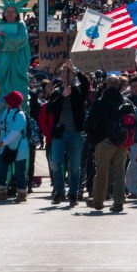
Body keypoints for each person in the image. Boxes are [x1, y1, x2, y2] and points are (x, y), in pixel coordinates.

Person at [84, 75, 132, 213]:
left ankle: (98, 202)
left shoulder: (100, 101)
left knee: (101, 172)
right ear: (118, 86)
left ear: (106, 84)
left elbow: (89, 122)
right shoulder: (124, 101)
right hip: (122, 141)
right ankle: (118, 203)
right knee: (119, 172)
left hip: (104, 141)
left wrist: (92, 138)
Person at [46, 66, 90, 207]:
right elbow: (50, 109)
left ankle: (73, 193)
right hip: (60, 134)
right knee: (56, 163)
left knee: (75, 167)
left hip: (76, 134)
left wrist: (76, 71)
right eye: (65, 73)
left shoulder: (78, 91)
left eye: (69, 73)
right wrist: (62, 96)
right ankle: (59, 192)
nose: (66, 75)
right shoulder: (57, 92)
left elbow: (86, 84)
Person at [0, 90, 29, 202]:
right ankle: (1, 191)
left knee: (20, 170)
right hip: (5, 146)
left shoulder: (20, 115)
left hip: (19, 147)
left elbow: (14, 132)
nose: (6, 102)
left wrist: (2, 142)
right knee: (2, 169)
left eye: (8, 100)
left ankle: (22, 192)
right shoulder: (6, 112)